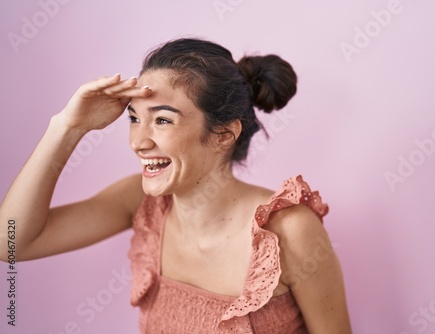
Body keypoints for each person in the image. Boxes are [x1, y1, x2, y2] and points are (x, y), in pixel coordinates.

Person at [0, 38, 351, 333]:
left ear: (223, 134)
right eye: (134, 118)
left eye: (162, 119)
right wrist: (67, 127)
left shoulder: (289, 232)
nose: (138, 141)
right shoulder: (139, 201)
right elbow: (12, 243)